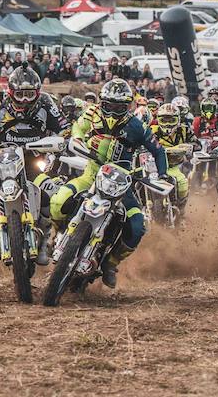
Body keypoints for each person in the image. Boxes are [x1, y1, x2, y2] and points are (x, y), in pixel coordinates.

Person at [49, 79, 168, 288]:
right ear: (102, 102)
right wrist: (76, 139)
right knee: (59, 200)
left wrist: (163, 174)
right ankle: (56, 235)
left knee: (137, 226)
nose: (112, 111)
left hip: (122, 184)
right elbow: (78, 127)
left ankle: (112, 263)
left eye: (119, 107)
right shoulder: (92, 112)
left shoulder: (137, 126)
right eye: (109, 105)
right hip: (91, 174)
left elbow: (158, 150)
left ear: (128, 106)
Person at [0, 66, 69, 267]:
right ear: (11, 92)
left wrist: (60, 140)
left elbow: (65, 128)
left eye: (29, 94)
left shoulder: (46, 105)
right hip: (3, 160)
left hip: (33, 161)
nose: (25, 100)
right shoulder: (1, 109)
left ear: (37, 92)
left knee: (51, 194)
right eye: (20, 94)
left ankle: (45, 242)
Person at [150, 103, 194, 221]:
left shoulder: (184, 130)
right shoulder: (152, 130)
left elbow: (197, 144)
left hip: (174, 165)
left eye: (171, 120)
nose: (168, 123)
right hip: (153, 166)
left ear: (178, 119)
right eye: (164, 120)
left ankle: (180, 209)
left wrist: (188, 147)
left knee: (182, 183)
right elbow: (141, 143)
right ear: (158, 120)